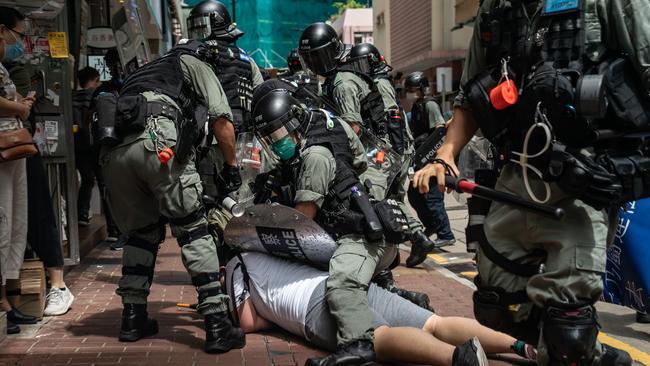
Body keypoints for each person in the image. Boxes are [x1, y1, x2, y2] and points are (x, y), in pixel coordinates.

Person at [412, 0, 649, 364]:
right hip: (516, 173)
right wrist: (446, 153)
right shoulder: (495, 9)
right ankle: (591, 355)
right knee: (495, 307)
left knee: (567, 328)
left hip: (584, 177)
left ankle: (573, 349)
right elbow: (469, 98)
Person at [101, 39, 244, 353]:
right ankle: (217, 325)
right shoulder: (192, 62)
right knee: (193, 229)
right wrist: (233, 167)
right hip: (156, 141)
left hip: (115, 156)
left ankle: (132, 317)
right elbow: (222, 119)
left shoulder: (145, 72)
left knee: (141, 234)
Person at [252, 89, 404, 365]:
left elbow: (302, 221)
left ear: (295, 123)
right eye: (269, 138)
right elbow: (359, 159)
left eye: (278, 135)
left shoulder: (315, 156)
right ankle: (396, 294)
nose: (276, 143)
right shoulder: (328, 121)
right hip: (352, 226)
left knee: (341, 282)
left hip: (358, 233)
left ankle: (358, 345)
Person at [225, 251, 538, 366]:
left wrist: (272, 316)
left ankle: (459, 358)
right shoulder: (271, 244)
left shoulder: (237, 262)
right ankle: (520, 346)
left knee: (377, 338)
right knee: (434, 324)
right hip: (348, 279)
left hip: (312, 306)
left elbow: (248, 321)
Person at [297, 23, 436, 268]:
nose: (316, 63)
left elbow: (354, 127)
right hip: (384, 150)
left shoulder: (341, 82)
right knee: (390, 202)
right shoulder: (341, 77)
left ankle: (382, 268)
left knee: (372, 206)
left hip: (376, 153)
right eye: (311, 58)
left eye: (319, 56)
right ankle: (416, 237)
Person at [0, 6, 35, 334]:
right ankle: (3, 305)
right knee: (2, 221)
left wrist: (21, 104)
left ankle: (7, 302)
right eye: (19, 35)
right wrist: (19, 107)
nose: (20, 42)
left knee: (13, 221)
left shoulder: (3, 66)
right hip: (3, 151)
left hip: (13, 150)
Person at [404, 71, 455, 267]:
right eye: (408, 90)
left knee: (433, 198)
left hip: (433, 160)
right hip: (421, 160)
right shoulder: (417, 107)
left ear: (423, 89)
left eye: (414, 90)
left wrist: (433, 158)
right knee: (415, 194)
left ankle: (446, 234)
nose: (411, 93)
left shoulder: (430, 105)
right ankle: (432, 225)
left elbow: (439, 131)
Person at [89, 49, 127, 250]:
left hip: (123, 148)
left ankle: (124, 231)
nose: (116, 69)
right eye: (113, 64)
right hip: (111, 148)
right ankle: (119, 231)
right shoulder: (104, 91)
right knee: (112, 190)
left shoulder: (133, 84)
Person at [73, 67, 101, 227]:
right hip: (93, 145)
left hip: (77, 146)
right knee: (100, 181)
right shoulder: (95, 98)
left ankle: (82, 214)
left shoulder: (72, 97)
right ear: (93, 80)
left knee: (87, 179)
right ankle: (113, 228)